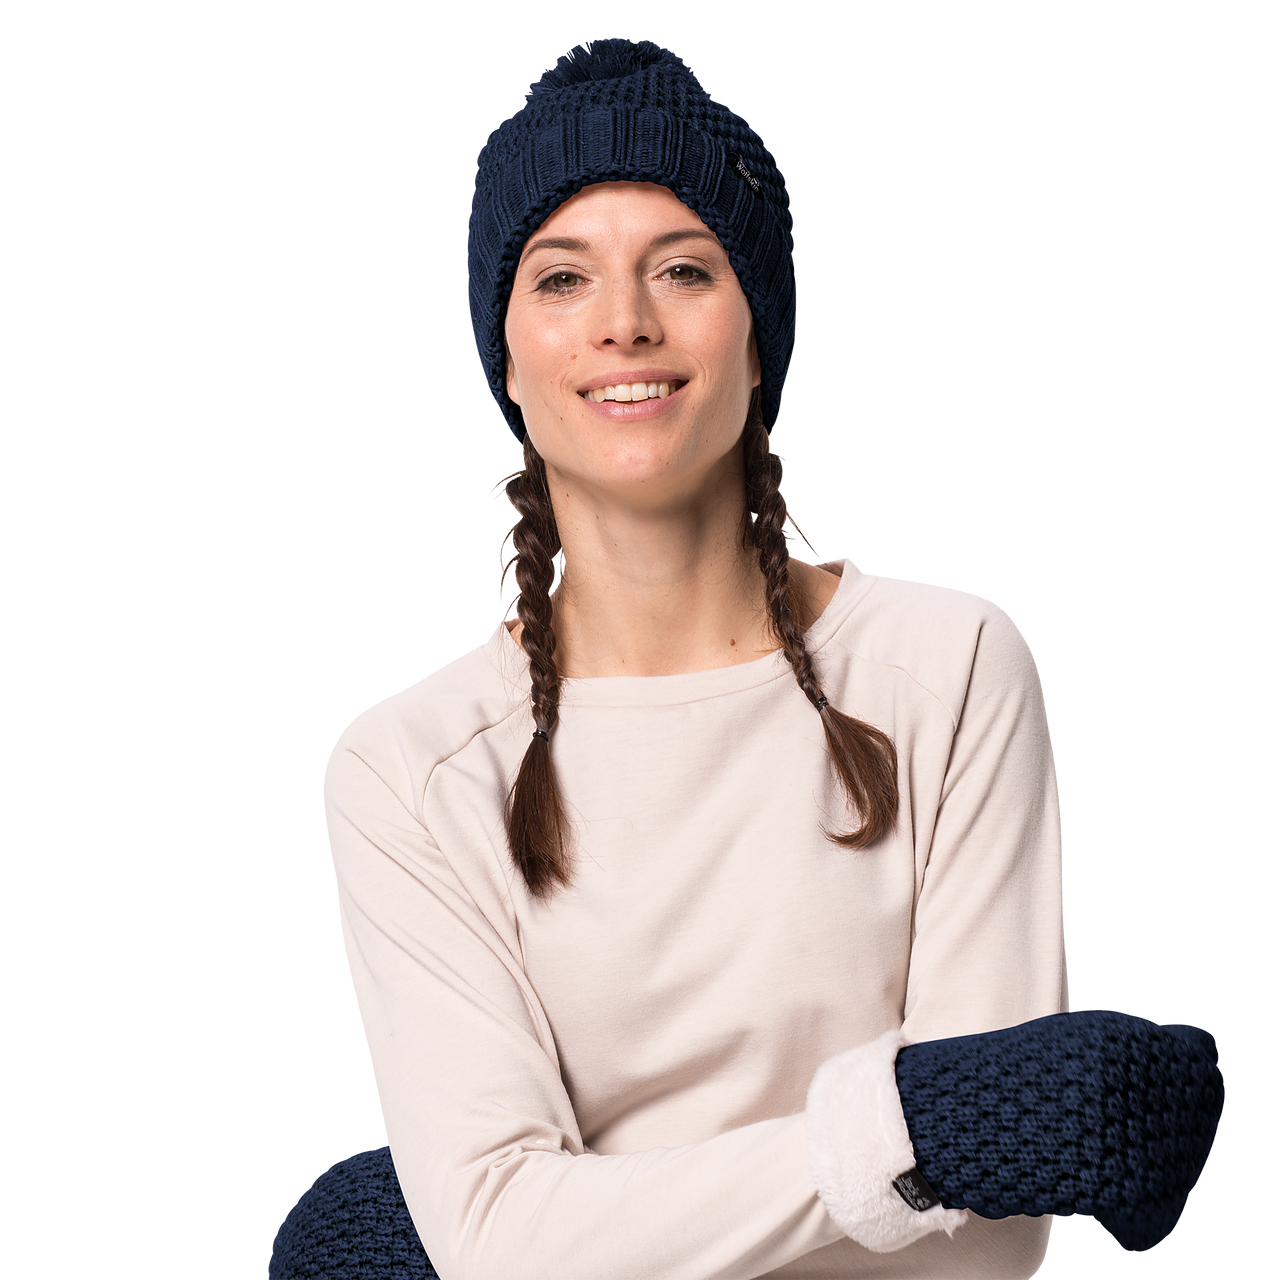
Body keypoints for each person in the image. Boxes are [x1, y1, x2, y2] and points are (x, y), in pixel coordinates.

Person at [267, 36, 1223, 1280]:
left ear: (759, 332)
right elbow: (501, 1238)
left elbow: (993, 1237)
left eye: (682, 267)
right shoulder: (406, 765)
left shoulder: (948, 668)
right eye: (560, 278)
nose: (624, 322)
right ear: (503, 353)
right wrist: (915, 1126)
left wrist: (577, 1216)